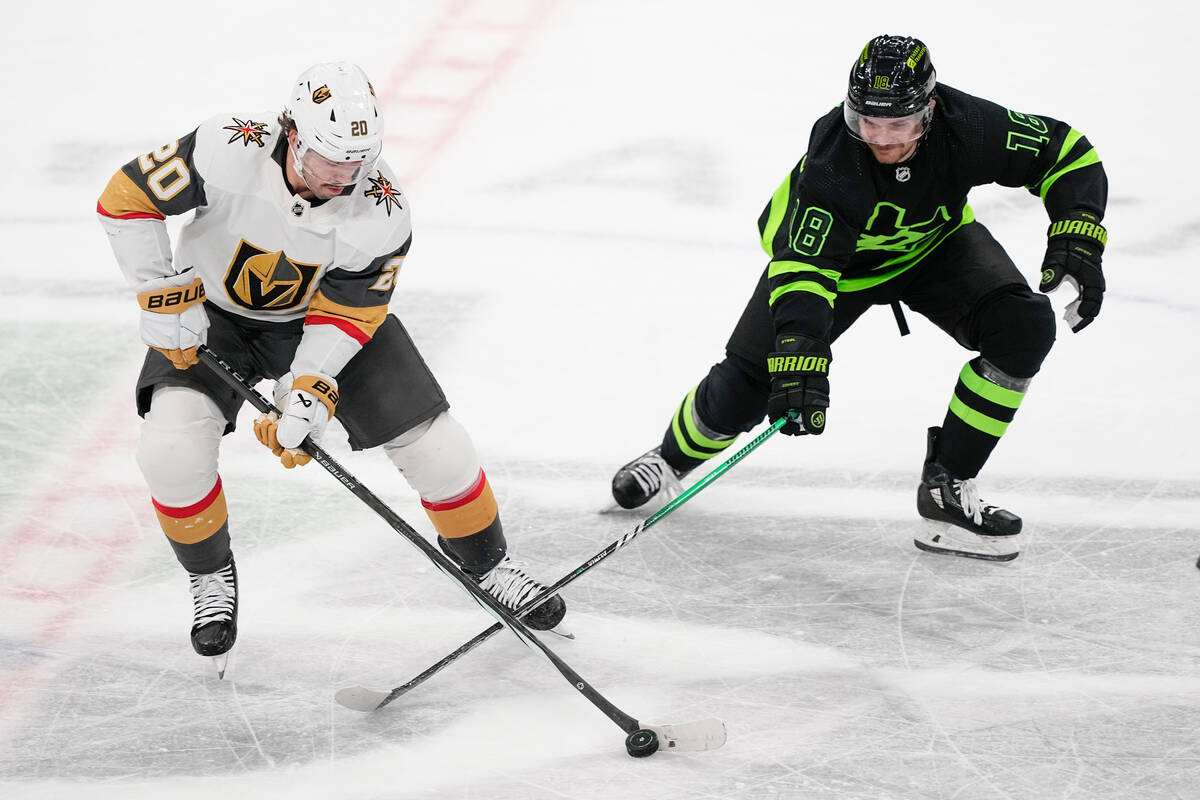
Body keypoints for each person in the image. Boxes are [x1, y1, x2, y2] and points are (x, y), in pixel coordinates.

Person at [97, 61, 567, 672]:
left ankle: (491, 564)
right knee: (170, 451)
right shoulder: (225, 145)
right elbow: (126, 197)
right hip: (213, 314)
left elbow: (350, 311)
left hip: (320, 320)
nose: (342, 177)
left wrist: (311, 386)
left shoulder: (383, 210)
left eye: (357, 162)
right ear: (291, 133)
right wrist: (162, 291)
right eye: (328, 161)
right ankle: (210, 579)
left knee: (437, 447)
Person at [611, 35, 1107, 562]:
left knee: (1023, 328)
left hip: (931, 247)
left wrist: (1078, 232)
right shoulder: (833, 161)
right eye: (867, 122)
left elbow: (1066, 152)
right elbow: (807, 268)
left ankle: (947, 488)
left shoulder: (972, 127)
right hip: (833, 267)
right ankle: (670, 459)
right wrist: (800, 354)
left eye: (899, 124)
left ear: (930, 109)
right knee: (753, 381)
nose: (881, 139)